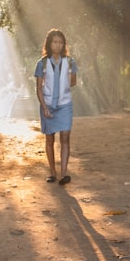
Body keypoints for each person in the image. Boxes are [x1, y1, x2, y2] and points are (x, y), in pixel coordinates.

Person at [35, 29, 78, 185]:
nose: (58, 45)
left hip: (65, 104)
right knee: (50, 138)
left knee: (65, 136)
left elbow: (73, 82)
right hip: (47, 104)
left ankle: (64, 174)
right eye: (55, 42)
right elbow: (39, 88)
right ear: (49, 44)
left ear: (63, 45)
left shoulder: (70, 62)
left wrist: (65, 79)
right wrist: (44, 106)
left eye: (60, 42)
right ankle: (52, 173)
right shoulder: (42, 64)